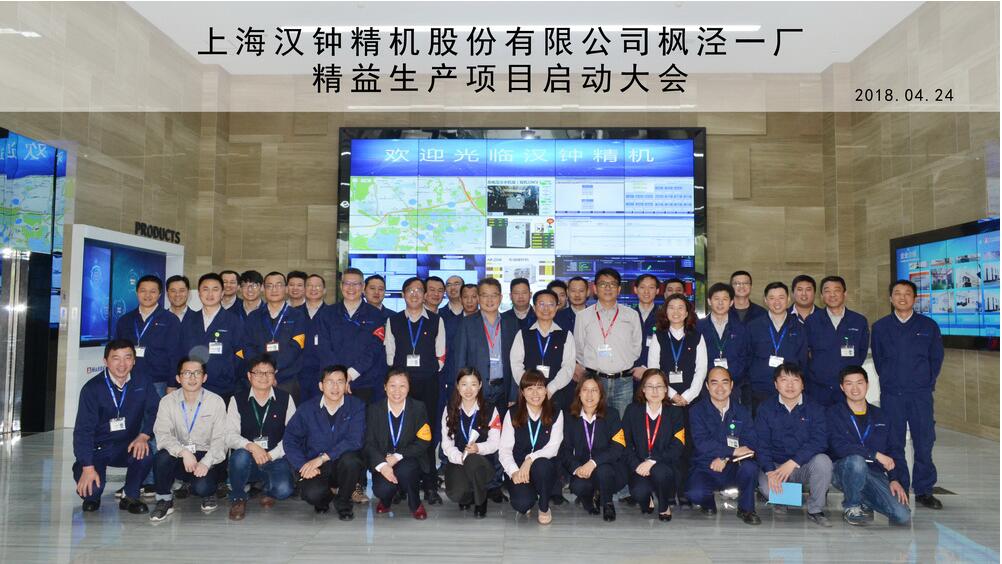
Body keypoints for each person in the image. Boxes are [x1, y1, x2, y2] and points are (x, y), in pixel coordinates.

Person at [871, 279, 945, 510]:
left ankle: (924, 489)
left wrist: (924, 382)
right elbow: (880, 361)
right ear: (890, 298)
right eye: (897, 293)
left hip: (920, 395)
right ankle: (899, 485)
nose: (902, 298)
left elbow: (936, 359)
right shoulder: (881, 327)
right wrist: (891, 380)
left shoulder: (928, 326)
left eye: (907, 294)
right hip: (892, 394)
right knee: (894, 441)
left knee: (924, 441)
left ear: (915, 298)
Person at [72, 339, 159, 514]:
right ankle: (84, 477)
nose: (122, 364)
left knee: (145, 452)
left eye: (127, 358)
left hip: (127, 446)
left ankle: (131, 495)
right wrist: (87, 466)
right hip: (98, 449)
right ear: (105, 361)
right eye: (116, 358)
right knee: (92, 491)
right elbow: (83, 431)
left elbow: (155, 411)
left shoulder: (142, 382)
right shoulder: (92, 389)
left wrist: (144, 435)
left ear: (134, 361)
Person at [384, 277, 446, 505]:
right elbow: (390, 354)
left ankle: (429, 485)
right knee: (401, 433)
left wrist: (427, 370)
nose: (415, 294)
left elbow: (441, 354)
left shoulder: (436, 321)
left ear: (425, 295)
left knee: (425, 433)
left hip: (428, 383)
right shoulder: (393, 320)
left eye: (419, 290)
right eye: (410, 290)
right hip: (401, 386)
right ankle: (402, 485)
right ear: (403, 294)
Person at [828, 366, 911, 526]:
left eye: (859, 383)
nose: (855, 388)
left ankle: (864, 498)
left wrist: (894, 479)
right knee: (857, 461)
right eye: (849, 383)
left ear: (867, 384)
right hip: (844, 470)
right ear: (842, 387)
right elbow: (839, 446)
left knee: (902, 515)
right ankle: (852, 506)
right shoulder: (833, 413)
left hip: (874, 473)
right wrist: (874, 454)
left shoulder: (882, 415)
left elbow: (894, 450)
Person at [646, 293, 707, 506]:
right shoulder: (659, 337)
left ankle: (684, 491)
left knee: (687, 447)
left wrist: (687, 396)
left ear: (688, 312)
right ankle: (668, 491)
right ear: (665, 311)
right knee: (666, 445)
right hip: (665, 401)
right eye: (672, 307)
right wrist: (671, 394)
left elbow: (701, 370)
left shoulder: (697, 337)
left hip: (691, 402)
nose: (676, 312)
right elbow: (654, 370)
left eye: (681, 307)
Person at [754, 362, 833, 527]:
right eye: (784, 380)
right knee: (767, 489)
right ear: (776, 384)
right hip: (775, 466)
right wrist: (770, 471)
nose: (790, 385)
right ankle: (789, 499)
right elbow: (761, 444)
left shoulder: (815, 408)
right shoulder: (765, 409)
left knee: (823, 462)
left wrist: (794, 462)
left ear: (803, 384)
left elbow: (819, 441)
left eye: (795, 380)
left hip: (802, 466)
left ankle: (815, 509)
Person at [150, 357, 229, 521]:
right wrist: (183, 452)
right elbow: (163, 435)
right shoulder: (167, 402)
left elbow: (220, 439)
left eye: (197, 373)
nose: (192, 378)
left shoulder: (216, 402)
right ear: (178, 378)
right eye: (186, 373)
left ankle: (206, 490)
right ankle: (164, 500)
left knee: (202, 488)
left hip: (207, 456)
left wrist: (206, 462)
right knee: (162, 457)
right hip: (180, 455)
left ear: (204, 377)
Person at [284, 365, 367, 520]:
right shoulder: (307, 409)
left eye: (340, 382)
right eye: (330, 382)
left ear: (346, 385)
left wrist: (323, 458)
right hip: (316, 466)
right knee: (312, 494)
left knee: (352, 461)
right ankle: (326, 498)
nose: (335, 387)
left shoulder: (356, 406)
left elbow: (355, 440)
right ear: (321, 386)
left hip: (342, 463)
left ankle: (343, 502)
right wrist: (302, 465)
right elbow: (290, 439)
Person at [686, 366, 761, 525]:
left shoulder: (742, 411)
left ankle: (746, 509)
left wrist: (725, 458)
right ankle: (708, 503)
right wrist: (732, 451)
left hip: (734, 465)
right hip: (706, 465)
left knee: (750, 468)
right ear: (707, 386)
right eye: (714, 383)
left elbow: (750, 442)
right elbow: (702, 442)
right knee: (695, 494)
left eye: (724, 382)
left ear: (732, 385)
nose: (720, 388)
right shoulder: (696, 411)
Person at [224, 355, 296, 520]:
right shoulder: (237, 399)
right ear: (249, 376)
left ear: (274, 375)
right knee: (239, 457)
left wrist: (271, 455)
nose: (264, 377)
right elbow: (229, 435)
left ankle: (267, 489)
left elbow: (292, 436)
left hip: (275, 458)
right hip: (247, 457)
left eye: (268, 372)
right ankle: (238, 497)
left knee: (284, 490)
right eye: (258, 372)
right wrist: (251, 446)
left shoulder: (286, 399)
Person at [364, 369, 433, 520]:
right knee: (382, 489)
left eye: (402, 386)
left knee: (406, 471)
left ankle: (415, 504)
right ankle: (386, 499)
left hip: (408, 458)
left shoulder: (418, 408)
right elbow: (368, 443)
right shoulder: (374, 409)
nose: (397, 391)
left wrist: (397, 456)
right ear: (385, 387)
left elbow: (424, 441)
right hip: (383, 460)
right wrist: (383, 465)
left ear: (409, 387)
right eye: (392, 385)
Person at [574, 268, 642, 416]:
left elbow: (637, 346)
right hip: (594, 381)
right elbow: (579, 348)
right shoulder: (583, 316)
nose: (608, 288)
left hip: (623, 382)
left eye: (612, 284)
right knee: (595, 424)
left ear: (619, 289)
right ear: (595, 288)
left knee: (622, 425)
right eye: (603, 284)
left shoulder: (631, 315)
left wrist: (622, 363)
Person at [499, 369, 564, 524]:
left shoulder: (555, 412)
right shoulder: (512, 413)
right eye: (530, 388)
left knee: (541, 465)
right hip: (519, 468)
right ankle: (532, 492)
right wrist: (514, 472)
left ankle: (544, 506)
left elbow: (553, 447)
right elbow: (505, 450)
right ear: (522, 392)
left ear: (546, 390)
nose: (535, 393)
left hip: (545, 467)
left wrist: (530, 459)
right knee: (522, 504)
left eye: (540, 387)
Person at [559, 374, 627, 522]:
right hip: (583, 469)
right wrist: (577, 468)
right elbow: (564, 450)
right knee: (578, 486)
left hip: (608, 468)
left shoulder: (612, 414)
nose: (589, 395)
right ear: (579, 393)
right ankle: (589, 498)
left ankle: (607, 503)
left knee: (604, 471)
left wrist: (593, 462)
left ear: (601, 394)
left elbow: (618, 447)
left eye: (594, 390)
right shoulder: (569, 417)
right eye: (585, 390)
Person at [621, 369, 686, 522]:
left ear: (666, 389)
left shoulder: (675, 412)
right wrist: (636, 465)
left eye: (659, 386)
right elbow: (625, 443)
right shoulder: (632, 411)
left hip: (665, 464)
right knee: (639, 492)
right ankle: (647, 500)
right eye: (650, 386)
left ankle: (664, 505)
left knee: (660, 472)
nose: (655, 391)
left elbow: (678, 445)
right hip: (639, 465)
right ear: (643, 389)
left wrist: (652, 461)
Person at [316, 268, 385, 404]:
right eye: (347, 283)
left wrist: (351, 374)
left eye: (356, 284)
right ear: (341, 286)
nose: (351, 288)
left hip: (366, 382)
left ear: (363, 287)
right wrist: (339, 377)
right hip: (334, 385)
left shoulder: (376, 315)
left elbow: (374, 349)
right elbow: (324, 348)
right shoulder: (326, 314)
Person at [441, 367, 502, 518]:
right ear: (457, 386)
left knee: (473, 460)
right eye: (464, 384)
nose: (468, 390)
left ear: (480, 385)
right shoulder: (449, 409)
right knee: (456, 493)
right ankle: (469, 496)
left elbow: (495, 442)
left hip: (482, 463)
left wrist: (478, 448)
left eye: (473, 384)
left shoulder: (490, 409)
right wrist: (459, 457)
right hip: (458, 461)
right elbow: (446, 444)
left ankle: (481, 501)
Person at [241, 272, 308, 402]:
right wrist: (263, 372)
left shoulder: (297, 316)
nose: (274, 289)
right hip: (258, 378)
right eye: (269, 286)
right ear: (263, 289)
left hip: (286, 378)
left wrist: (272, 371)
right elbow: (247, 346)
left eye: (278, 285)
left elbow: (296, 346)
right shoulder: (254, 316)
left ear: (286, 288)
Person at [178, 273, 245, 402]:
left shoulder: (233, 321)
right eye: (205, 289)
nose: (210, 294)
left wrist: (228, 373)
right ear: (199, 293)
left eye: (215, 289)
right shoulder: (189, 320)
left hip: (223, 388)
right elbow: (181, 351)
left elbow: (240, 354)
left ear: (222, 293)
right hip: (192, 386)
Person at [454, 278, 519, 409]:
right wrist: (462, 392)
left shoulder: (511, 323)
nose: (489, 300)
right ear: (478, 298)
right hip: (475, 391)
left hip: (504, 390)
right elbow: (460, 361)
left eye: (494, 295)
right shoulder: (467, 323)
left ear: (500, 298)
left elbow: (516, 361)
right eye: (484, 295)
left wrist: (513, 394)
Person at [805, 276, 870, 407]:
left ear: (845, 293)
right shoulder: (812, 321)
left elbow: (861, 352)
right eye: (827, 291)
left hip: (847, 389)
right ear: (821, 296)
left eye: (837, 290)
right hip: (818, 388)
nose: (832, 295)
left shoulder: (858, 321)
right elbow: (806, 352)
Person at [114, 274, 181, 398]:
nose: (147, 295)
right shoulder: (125, 320)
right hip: (129, 380)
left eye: (152, 291)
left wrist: (172, 384)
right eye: (143, 291)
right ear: (136, 292)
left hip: (159, 383)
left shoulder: (170, 320)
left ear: (159, 294)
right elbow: (115, 351)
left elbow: (175, 355)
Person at [745, 282, 808, 413]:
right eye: (772, 298)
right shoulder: (754, 326)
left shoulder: (799, 327)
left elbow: (803, 360)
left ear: (788, 299)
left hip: (789, 390)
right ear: (765, 300)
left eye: (781, 297)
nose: (777, 302)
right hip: (760, 389)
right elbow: (747, 357)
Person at [511, 289, 576, 411]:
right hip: (529, 396)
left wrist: (550, 389)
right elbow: (516, 365)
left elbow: (568, 367)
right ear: (534, 307)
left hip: (557, 394)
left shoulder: (566, 335)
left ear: (556, 308)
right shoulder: (523, 334)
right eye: (541, 304)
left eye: (551, 304)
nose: (546, 308)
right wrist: (531, 389)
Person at [696, 283, 750, 405]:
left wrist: (728, 379)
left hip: (733, 385)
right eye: (716, 299)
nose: (720, 303)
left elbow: (745, 357)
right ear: (709, 301)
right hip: (705, 385)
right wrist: (711, 379)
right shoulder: (698, 327)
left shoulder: (741, 328)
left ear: (731, 302)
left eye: (725, 299)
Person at [298, 273, 330, 402]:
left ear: (324, 290)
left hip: (322, 373)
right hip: (298, 373)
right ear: (304, 289)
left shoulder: (332, 313)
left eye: (317, 286)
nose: (313, 289)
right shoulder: (293, 313)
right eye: (309, 285)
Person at [631, 274, 660, 382]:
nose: (646, 291)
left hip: (655, 374)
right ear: (635, 289)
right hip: (629, 374)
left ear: (657, 291)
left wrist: (647, 368)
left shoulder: (664, 317)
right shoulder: (627, 316)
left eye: (651, 287)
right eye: (642, 287)